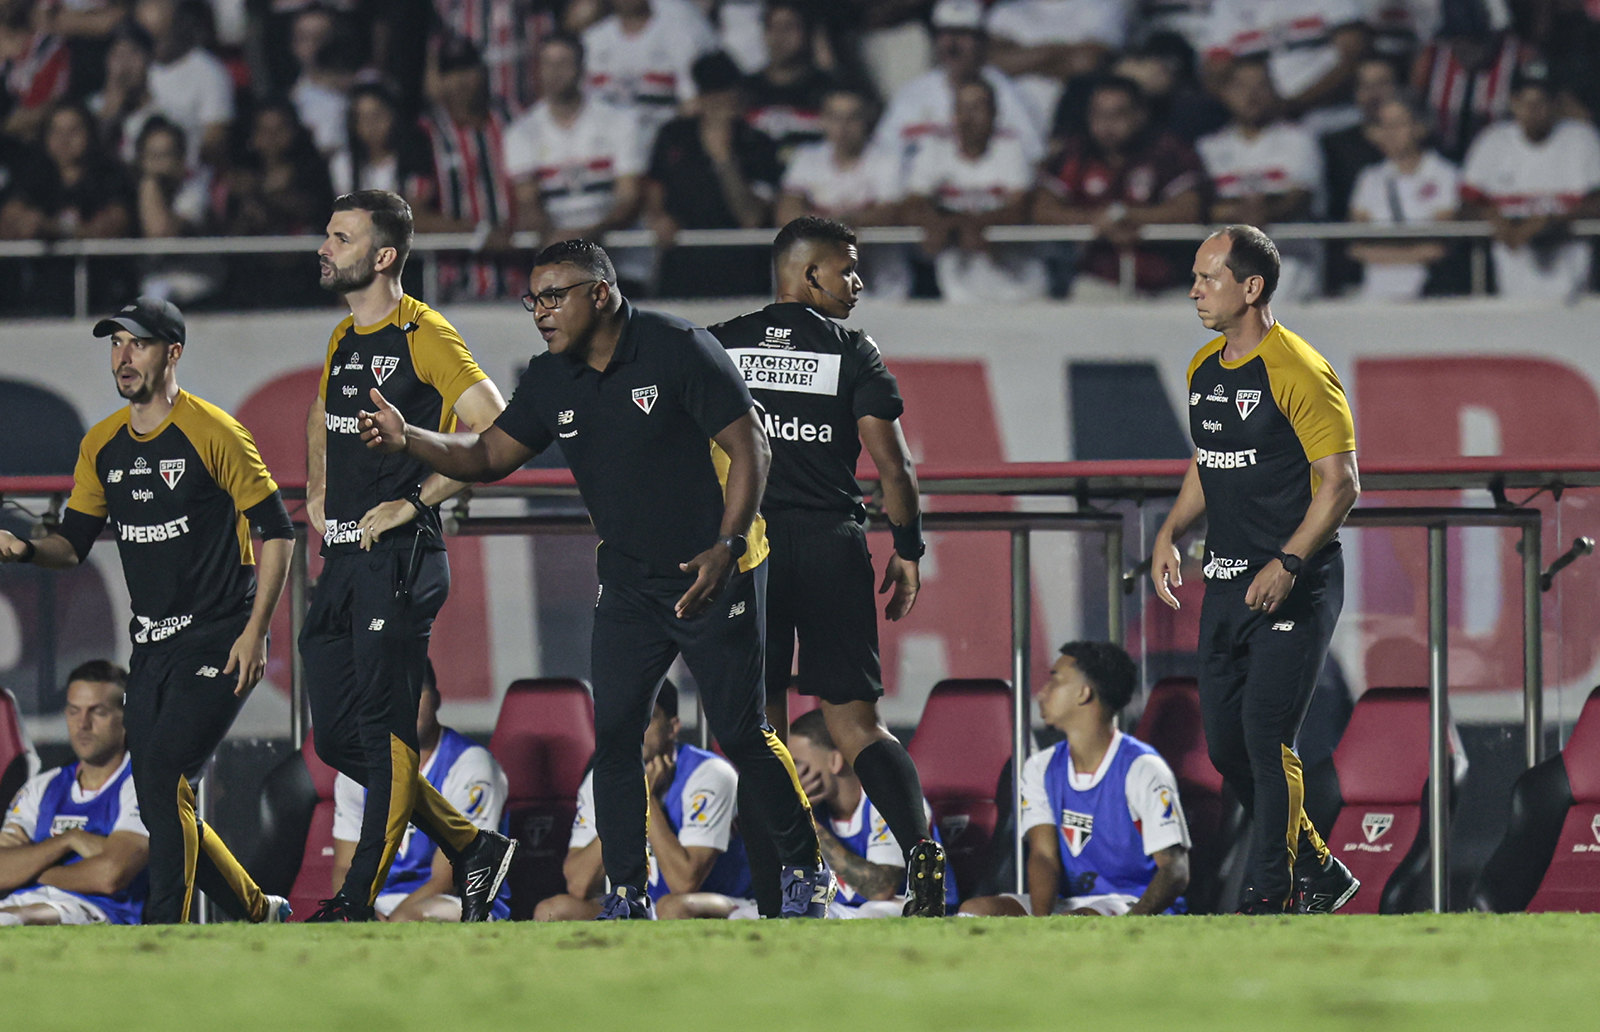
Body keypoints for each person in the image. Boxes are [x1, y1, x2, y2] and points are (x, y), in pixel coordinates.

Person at [354, 237, 832, 920]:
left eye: (553, 296)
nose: (539, 312)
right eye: (533, 299)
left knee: (742, 730)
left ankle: (806, 870)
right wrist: (414, 441)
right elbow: (490, 453)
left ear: (600, 293)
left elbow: (750, 443)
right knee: (614, 738)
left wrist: (727, 545)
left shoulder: (678, 347)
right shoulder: (553, 377)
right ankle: (627, 891)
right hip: (631, 582)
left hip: (716, 568)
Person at [0, 296, 293, 925]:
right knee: (164, 790)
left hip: (219, 637)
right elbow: (70, 546)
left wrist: (256, 631)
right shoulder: (102, 443)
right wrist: (25, 550)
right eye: (115, 344)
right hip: (153, 646)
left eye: (137, 343)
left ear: (173, 352)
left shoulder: (213, 431)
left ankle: (168, 929)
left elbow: (281, 532)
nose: (123, 357)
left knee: (159, 772)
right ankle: (255, 908)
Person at [707, 216, 947, 918]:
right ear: (809, 274)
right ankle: (920, 851)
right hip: (834, 548)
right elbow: (895, 467)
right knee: (858, 725)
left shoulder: (719, 346)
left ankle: (778, 889)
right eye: (847, 269)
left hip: (750, 552)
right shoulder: (852, 351)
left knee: (759, 730)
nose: (859, 282)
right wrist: (907, 549)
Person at [303, 189, 515, 923]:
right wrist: (318, 493)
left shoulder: (424, 334)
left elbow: (495, 432)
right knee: (334, 733)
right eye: (328, 235)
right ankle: (472, 845)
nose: (324, 248)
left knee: (383, 731)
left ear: (383, 255)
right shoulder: (344, 337)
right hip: (344, 562)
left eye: (340, 237)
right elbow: (322, 412)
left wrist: (416, 500)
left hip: (400, 559)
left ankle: (357, 899)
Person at [1150, 225, 1362, 915]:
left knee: (1267, 740)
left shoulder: (1298, 369)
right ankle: (1321, 869)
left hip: (1293, 584)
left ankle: (1271, 890)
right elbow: (1211, 460)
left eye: (1208, 277)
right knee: (1226, 748)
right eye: (1195, 276)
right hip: (1226, 583)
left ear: (1252, 287)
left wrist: (1290, 561)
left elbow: (1341, 483)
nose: (1194, 290)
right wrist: (1172, 530)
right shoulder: (1204, 368)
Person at [958, 642, 1191, 918]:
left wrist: (1130, 926)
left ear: (1083, 693)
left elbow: (1176, 870)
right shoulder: (1040, 768)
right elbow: (1044, 856)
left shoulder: (1142, 768)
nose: (1042, 693)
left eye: (1054, 681)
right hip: (1073, 903)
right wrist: (1042, 925)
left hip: (1133, 904)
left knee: (1076, 922)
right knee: (975, 910)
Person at [534, 680, 751, 921]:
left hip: (722, 901)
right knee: (553, 910)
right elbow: (579, 885)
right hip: (646, 905)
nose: (634, 729)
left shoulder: (710, 774)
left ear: (673, 727)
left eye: (647, 719)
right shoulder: (601, 778)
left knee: (673, 907)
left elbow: (684, 882)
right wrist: (628, 803)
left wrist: (646, 798)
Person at [331, 661, 510, 922]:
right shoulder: (358, 770)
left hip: (460, 903)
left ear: (436, 699)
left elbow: (447, 879)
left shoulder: (469, 765)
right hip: (379, 905)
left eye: (416, 693)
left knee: (411, 919)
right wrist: (354, 911)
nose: (404, 706)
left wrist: (393, 922)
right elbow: (344, 865)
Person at [0, 662, 148, 926]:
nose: (83, 724)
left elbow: (110, 876)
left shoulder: (141, 785)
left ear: (127, 717)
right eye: (73, 711)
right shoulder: (42, 786)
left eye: (98, 712)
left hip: (96, 910)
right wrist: (69, 840)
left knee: (13, 921)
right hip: (21, 903)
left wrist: (32, 869)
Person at [1033, 74, 1206, 300]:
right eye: (1099, 114)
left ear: (1140, 115)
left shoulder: (1168, 152)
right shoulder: (1075, 154)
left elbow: (1189, 209)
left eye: (1118, 114)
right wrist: (1095, 219)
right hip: (1098, 280)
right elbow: (1042, 209)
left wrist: (1127, 216)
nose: (1107, 124)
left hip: (1166, 282)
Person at [644, 50, 780, 299]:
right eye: (712, 96)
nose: (722, 106)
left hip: (742, 272)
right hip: (681, 266)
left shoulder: (759, 144)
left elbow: (751, 217)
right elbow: (655, 188)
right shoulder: (674, 135)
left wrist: (724, 160)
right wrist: (658, 217)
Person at [1460, 62, 1600, 302]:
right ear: (1513, 103)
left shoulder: (1581, 138)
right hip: (1510, 282)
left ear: (1555, 104)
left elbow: (1596, 201)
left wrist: (1549, 221)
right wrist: (1494, 218)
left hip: (1573, 286)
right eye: (1526, 102)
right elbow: (1465, 204)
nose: (1533, 110)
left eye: (1541, 102)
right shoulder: (1493, 141)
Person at [902, 77, 1046, 303]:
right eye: (962, 108)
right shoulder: (934, 149)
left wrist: (971, 223)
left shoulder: (1012, 148)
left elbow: (1021, 208)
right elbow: (913, 203)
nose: (968, 117)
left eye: (978, 107)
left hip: (1016, 280)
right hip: (954, 282)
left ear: (995, 113)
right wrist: (950, 222)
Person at [1197, 58, 1323, 303]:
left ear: (1274, 91)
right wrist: (1245, 215)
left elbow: (1300, 197)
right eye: (1241, 87)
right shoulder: (1209, 148)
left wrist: (1265, 212)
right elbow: (1202, 205)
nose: (1251, 95)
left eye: (1260, 86)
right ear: (1225, 93)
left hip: (1291, 267)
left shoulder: (1299, 140)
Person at [873, 0, 1044, 176]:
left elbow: (1033, 159)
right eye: (945, 34)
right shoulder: (912, 94)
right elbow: (883, 155)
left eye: (962, 34)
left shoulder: (1008, 94)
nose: (952, 45)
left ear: (981, 41)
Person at [1347, 95, 1460, 301]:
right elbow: (1357, 246)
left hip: (1430, 291)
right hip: (1375, 292)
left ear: (1419, 127)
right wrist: (1413, 253)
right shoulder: (1369, 178)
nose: (1390, 134)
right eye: (1384, 125)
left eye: (1398, 124)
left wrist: (1382, 254)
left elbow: (1439, 246)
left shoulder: (1445, 175)